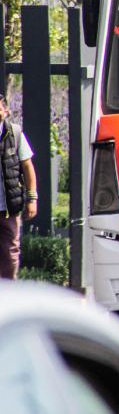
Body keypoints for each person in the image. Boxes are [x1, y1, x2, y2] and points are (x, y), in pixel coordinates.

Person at [0, 94, 37, 280]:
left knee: (10, 252)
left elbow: (27, 166)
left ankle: (7, 292)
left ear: (5, 111)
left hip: (9, 207)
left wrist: (32, 198)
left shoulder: (15, 133)